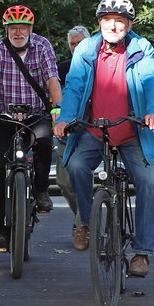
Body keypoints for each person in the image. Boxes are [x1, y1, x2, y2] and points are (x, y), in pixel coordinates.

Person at [54, 0, 154, 278]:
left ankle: (142, 252)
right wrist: (66, 118)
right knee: (76, 166)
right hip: (94, 128)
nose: (113, 26)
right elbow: (75, 85)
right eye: (107, 21)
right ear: (99, 23)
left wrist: (153, 112)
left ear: (129, 25)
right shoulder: (87, 49)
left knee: (148, 183)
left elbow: (151, 80)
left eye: (119, 21)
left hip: (130, 129)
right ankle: (87, 223)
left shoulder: (141, 48)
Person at [0, 5, 63, 250]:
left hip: (35, 114)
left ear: (31, 29)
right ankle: (1, 231)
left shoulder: (42, 46)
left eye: (22, 27)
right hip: (6, 117)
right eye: (13, 27)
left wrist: (58, 107)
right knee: (2, 169)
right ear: (7, 29)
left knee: (44, 142)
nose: (18, 32)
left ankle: (42, 191)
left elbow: (52, 78)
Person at [55, 26, 91, 220]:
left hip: (92, 130)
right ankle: (83, 215)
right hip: (67, 130)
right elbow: (55, 97)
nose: (76, 47)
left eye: (80, 43)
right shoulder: (61, 69)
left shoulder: (97, 64)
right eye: (73, 44)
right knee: (64, 183)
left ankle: (83, 225)